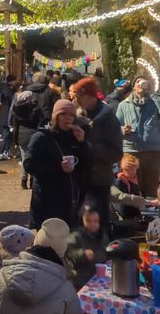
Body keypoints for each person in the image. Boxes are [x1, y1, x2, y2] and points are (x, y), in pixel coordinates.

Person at [24, 99, 90, 229]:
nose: (68, 118)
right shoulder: (41, 137)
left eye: (71, 115)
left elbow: (86, 164)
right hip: (48, 201)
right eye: (64, 114)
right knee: (49, 244)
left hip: (71, 201)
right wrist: (57, 167)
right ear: (56, 116)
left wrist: (82, 142)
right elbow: (29, 164)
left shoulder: (74, 137)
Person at [72, 77, 123, 230]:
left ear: (91, 97)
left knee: (98, 223)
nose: (76, 100)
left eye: (79, 96)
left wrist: (88, 144)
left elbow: (116, 153)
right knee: (79, 222)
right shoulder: (77, 115)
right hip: (78, 178)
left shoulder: (108, 118)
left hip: (99, 180)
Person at [116, 77, 160, 198]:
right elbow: (115, 127)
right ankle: (133, 213)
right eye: (138, 82)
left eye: (145, 81)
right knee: (132, 184)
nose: (141, 84)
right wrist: (122, 130)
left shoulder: (156, 102)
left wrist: (155, 95)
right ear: (134, 87)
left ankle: (150, 212)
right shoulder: (123, 105)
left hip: (153, 151)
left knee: (152, 185)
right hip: (131, 151)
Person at [65, 204, 110, 290]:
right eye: (88, 221)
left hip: (98, 275)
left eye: (95, 221)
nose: (92, 224)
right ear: (82, 221)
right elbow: (68, 252)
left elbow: (106, 251)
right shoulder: (76, 236)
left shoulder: (102, 236)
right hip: (80, 278)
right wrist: (83, 253)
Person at [11, 90, 40, 189]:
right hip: (33, 135)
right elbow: (37, 123)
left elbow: (15, 127)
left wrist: (15, 141)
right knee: (33, 159)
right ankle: (32, 181)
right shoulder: (35, 109)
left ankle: (23, 182)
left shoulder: (16, 109)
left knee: (24, 159)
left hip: (21, 136)